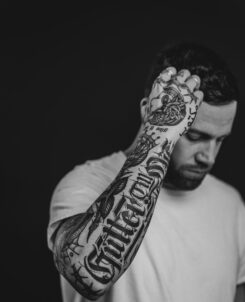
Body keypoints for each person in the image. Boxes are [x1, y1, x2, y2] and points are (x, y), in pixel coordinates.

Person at [47, 42, 245, 302]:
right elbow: (91, 276)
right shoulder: (85, 183)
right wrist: (160, 133)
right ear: (149, 112)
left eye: (220, 140)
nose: (208, 156)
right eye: (195, 136)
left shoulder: (229, 202)